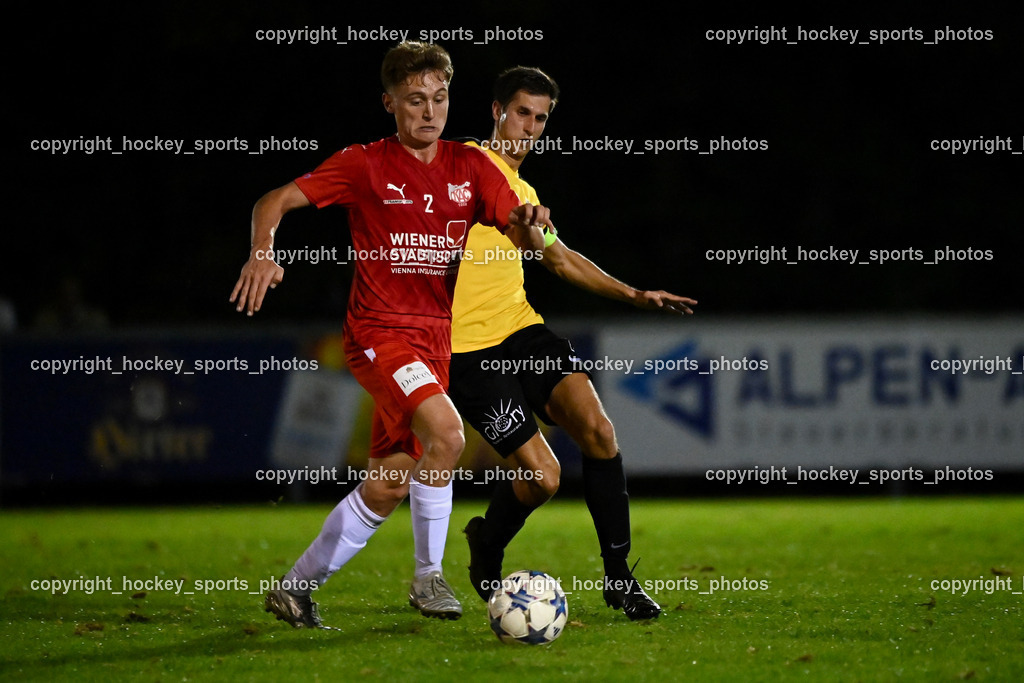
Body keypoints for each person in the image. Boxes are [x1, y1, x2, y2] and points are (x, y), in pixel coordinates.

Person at [230, 42, 551, 628]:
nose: (429, 112)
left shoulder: (472, 166)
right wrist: (261, 252)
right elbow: (273, 199)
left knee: (387, 485)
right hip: (378, 334)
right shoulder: (365, 164)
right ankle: (429, 579)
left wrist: (530, 227)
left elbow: (518, 225)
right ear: (390, 103)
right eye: (414, 101)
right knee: (448, 436)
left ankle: (294, 589)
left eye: (439, 98)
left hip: (432, 341)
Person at [444, 66, 697, 620]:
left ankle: (619, 579)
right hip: (465, 351)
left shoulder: (527, 191)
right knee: (543, 477)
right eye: (521, 113)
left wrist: (634, 294)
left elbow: (555, 258)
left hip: (522, 329)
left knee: (600, 432)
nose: (530, 126)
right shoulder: (457, 166)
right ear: (495, 111)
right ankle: (486, 544)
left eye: (541, 117)